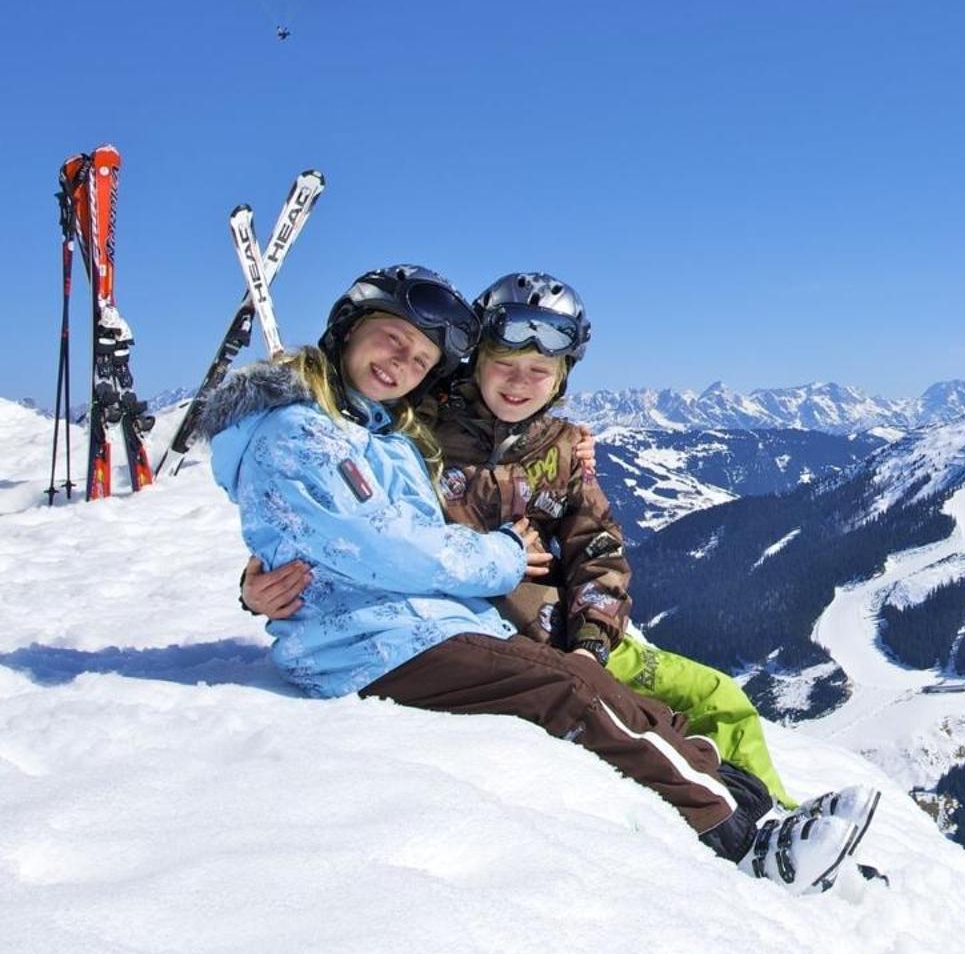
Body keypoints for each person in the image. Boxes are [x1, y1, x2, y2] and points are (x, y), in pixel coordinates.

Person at [205, 264, 871, 893]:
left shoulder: (550, 449)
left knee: (708, 695)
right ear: (473, 364)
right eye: (504, 364)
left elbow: (598, 550)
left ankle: (768, 810)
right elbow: (348, 528)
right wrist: (256, 586)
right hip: (453, 627)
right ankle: (748, 835)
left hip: (528, 627)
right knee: (589, 695)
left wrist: (592, 636)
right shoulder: (415, 424)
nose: (519, 383)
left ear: (560, 379)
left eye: (539, 370)